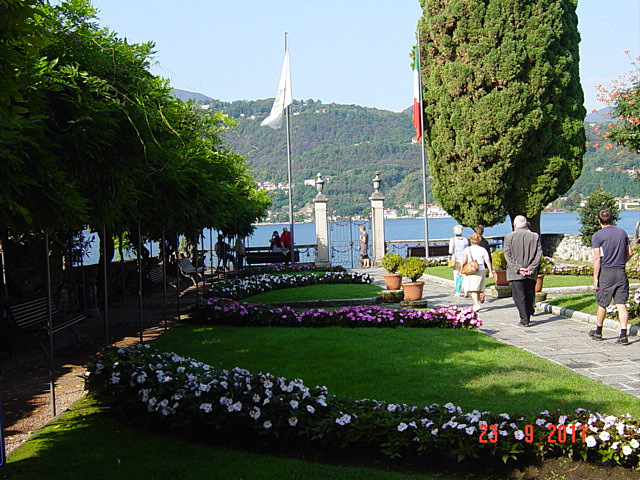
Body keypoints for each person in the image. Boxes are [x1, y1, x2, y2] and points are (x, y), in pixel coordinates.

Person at [588, 209, 633, 344]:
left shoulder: (597, 236)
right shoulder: (622, 233)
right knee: (621, 303)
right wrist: (622, 262)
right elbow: (629, 252)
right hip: (620, 271)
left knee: (602, 303)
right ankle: (623, 334)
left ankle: (599, 331)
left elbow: (597, 259)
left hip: (606, 272)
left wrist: (595, 278)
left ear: (599, 221)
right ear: (612, 219)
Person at [504, 215, 542, 327]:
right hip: (531, 272)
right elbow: (538, 254)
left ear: (514, 225)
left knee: (518, 296)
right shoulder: (534, 236)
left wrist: (518, 268)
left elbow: (508, 255)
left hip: (516, 273)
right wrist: (531, 267)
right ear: (526, 225)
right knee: (529, 293)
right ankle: (529, 311)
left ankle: (524, 319)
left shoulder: (509, 237)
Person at [461, 234, 493, 312]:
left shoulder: (467, 249)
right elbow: (487, 261)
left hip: (472, 269)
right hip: (481, 269)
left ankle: (476, 304)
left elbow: (464, 260)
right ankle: (476, 303)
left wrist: (461, 269)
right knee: (478, 288)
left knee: (473, 288)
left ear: (471, 241)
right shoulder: (483, 250)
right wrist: (490, 271)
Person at [449, 225, 469, 296]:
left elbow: (450, 251)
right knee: (465, 275)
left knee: (456, 275)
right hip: (464, 259)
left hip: (456, 260)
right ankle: (466, 290)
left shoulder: (452, 240)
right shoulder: (465, 240)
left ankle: (458, 291)